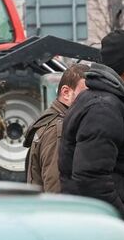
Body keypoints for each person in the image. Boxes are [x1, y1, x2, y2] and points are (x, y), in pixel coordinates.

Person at [59, 30, 124, 236]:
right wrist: (121, 225)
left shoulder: (109, 102)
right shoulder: (104, 108)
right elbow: (90, 178)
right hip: (110, 233)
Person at [24, 63, 87, 194]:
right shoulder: (59, 129)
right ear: (66, 93)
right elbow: (55, 187)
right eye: (86, 94)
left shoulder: (52, 120)